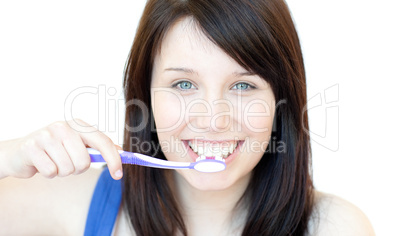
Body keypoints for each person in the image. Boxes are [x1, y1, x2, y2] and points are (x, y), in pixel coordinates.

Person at [0, 0, 375, 235]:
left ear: (282, 101)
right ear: (144, 93)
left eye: (243, 87)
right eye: (183, 84)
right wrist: (9, 156)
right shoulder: (73, 199)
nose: (213, 119)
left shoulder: (335, 227)